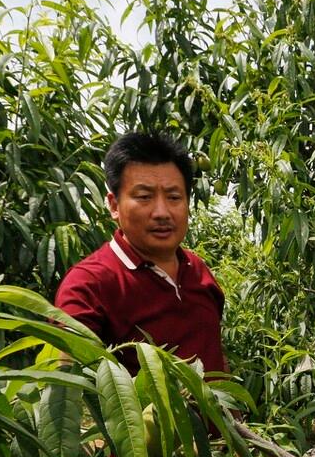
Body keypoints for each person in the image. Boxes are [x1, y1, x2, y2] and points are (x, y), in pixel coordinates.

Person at [55, 132, 228, 376]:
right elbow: (69, 387)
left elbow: (214, 354)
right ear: (114, 206)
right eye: (144, 197)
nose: (162, 212)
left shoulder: (197, 269)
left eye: (174, 197)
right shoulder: (88, 285)